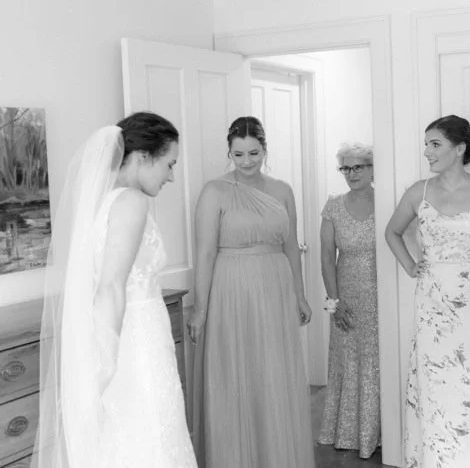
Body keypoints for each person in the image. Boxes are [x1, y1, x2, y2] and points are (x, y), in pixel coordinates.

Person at [33, 112, 196, 468]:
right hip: (135, 346)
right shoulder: (132, 202)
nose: (171, 176)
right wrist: (103, 365)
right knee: (150, 441)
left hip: (126, 338)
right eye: (169, 164)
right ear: (143, 157)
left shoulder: (102, 201)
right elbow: (110, 286)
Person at [385, 114, 470, 467]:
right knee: (436, 386)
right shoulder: (419, 192)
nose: (427, 152)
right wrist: (411, 266)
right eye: (426, 144)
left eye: (435, 144)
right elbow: (392, 232)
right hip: (432, 307)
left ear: (459, 148)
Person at [187, 116, 314, 468]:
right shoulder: (214, 191)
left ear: (264, 149)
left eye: (254, 153)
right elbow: (205, 253)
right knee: (235, 373)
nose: (246, 162)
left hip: (275, 288)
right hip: (231, 290)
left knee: (273, 373)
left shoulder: (282, 190)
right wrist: (200, 308)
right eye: (239, 154)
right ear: (229, 152)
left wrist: (300, 295)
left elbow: (291, 248)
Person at [317, 143, 380, 459]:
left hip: (381, 295)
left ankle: (380, 432)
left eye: (358, 167)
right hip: (347, 297)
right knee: (348, 359)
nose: (352, 174)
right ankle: (347, 431)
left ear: (372, 169)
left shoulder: (387, 201)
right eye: (346, 168)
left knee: (378, 360)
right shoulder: (333, 207)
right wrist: (334, 302)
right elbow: (327, 257)